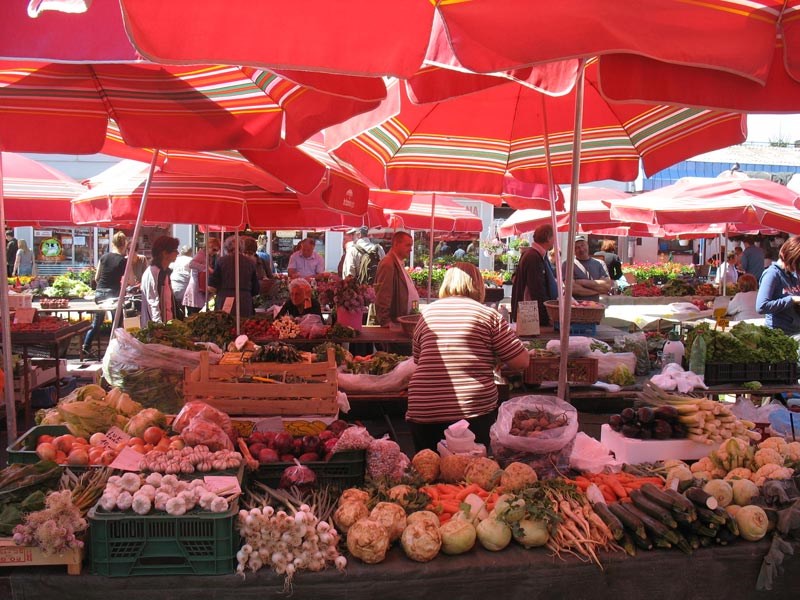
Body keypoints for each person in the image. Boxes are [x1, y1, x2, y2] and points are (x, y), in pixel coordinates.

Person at [407, 262, 530, 452]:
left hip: (423, 411)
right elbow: (521, 361)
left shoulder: (427, 314)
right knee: (471, 468)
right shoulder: (488, 315)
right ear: (479, 285)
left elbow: (418, 359)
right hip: (472, 411)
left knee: (428, 467)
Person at [82, 231, 128, 359]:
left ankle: (86, 346)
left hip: (100, 292)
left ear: (112, 243)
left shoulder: (103, 257)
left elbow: (97, 277)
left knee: (97, 322)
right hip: (113, 294)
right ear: (124, 245)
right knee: (116, 322)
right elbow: (129, 280)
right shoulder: (123, 261)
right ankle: (114, 350)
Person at [510, 224, 557, 325]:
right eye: (554, 237)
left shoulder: (534, 254)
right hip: (531, 316)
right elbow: (537, 290)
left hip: (530, 314)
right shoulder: (533, 257)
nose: (555, 241)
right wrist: (546, 315)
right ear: (548, 238)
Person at [756, 235, 800, 339]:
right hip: (780, 334)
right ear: (791, 257)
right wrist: (791, 300)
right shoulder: (772, 274)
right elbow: (761, 306)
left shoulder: (793, 275)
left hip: (796, 330)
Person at [374, 231, 419, 327]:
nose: (411, 249)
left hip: (401, 321)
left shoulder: (397, 262)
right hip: (394, 324)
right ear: (396, 244)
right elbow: (383, 295)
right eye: (408, 245)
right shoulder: (388, 263)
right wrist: (385, 321)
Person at [208, 235, 260, 318]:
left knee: (225, 323)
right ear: (242, 247)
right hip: (244, 300)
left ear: (226, 248)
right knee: (244, 324)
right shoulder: (250, 262)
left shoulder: (221, 261)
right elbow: (256, 288)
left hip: (225, 299)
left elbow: (212, 285)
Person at [140, 235, 180, 328]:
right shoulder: (153, 273)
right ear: (165, 253)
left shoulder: (165, 273)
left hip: (167, 326)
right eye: (175, 250)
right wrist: (159, 327)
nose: (178, 253)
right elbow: (153, 303)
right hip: (156, 329)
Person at [562, 235, 612, 302]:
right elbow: (572, 288)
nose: (581, 249)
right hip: (576, 306)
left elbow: (607, 285)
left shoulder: (600, 263)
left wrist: (581, 282)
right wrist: (597, 291)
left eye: (582, 245)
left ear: (587, 245)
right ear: (573, 250)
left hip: (595, 306)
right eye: (577, 247)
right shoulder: (568, 264)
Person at [183, 237, 220, 315]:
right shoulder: (201, 254)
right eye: (214, 250)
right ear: (209, 246)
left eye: (216, 250)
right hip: (195, 290)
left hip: (200, 290)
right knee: (193, 314)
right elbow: (191, 264)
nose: (215, 252)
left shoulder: (209, 257)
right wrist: (206, 268)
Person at [169, 245, 193, 317]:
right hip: (185, 287)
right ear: (190, 252)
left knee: (178, 308)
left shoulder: (176, 259)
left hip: (174, 285)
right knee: (188, 307)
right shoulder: (191, 260)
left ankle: (180, 318)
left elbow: (170, 268)